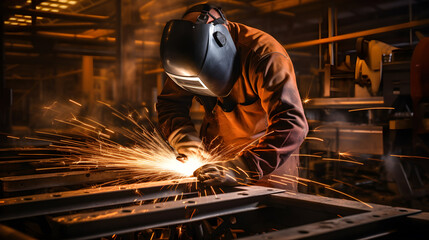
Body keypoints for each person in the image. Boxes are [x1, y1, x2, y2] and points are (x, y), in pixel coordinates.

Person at [157, 4, 308, 190]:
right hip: (214, 162)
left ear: (220, 44)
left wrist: (242, 168)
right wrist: (188, 144)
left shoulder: (265, 55)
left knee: (265, 218)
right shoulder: (187, 51)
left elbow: (291, 124)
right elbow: (171, 104)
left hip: (265, 166)